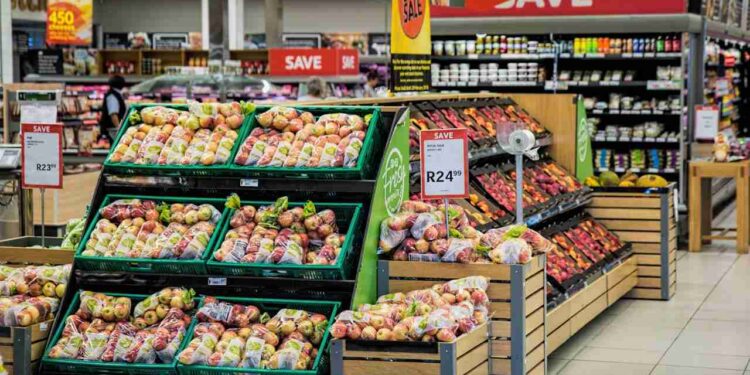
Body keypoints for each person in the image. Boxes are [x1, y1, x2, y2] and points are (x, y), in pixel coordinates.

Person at [102, 75, 127, 142]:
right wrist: (119, 129)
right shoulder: (112, 96)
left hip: (112, 130)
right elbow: (113, 114)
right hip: (113, 131)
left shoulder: (115, 94)